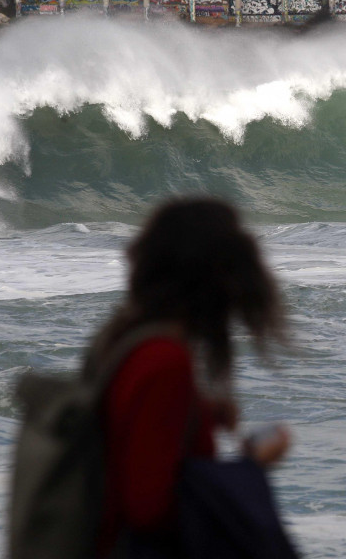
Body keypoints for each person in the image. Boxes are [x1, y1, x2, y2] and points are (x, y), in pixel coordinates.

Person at [83, 197, 291, 558]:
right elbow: (149, 509)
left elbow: (130, 434)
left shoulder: (125, 340)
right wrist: (250, 467)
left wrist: (200, 415)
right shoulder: (165, 361)